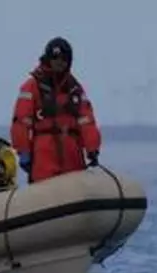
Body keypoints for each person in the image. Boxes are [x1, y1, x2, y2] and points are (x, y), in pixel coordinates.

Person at [10, 37, 101, 184]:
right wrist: (23, 151)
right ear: (48, 58)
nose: (60, 62)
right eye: (55, 57)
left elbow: (87, 121)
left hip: (72, 153)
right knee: (45, 189)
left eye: (64, 58)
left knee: (75, 187)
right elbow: (21, 121)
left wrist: (92, 148)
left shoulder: (75, 89)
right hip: (44, 152)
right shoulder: (32, 86)